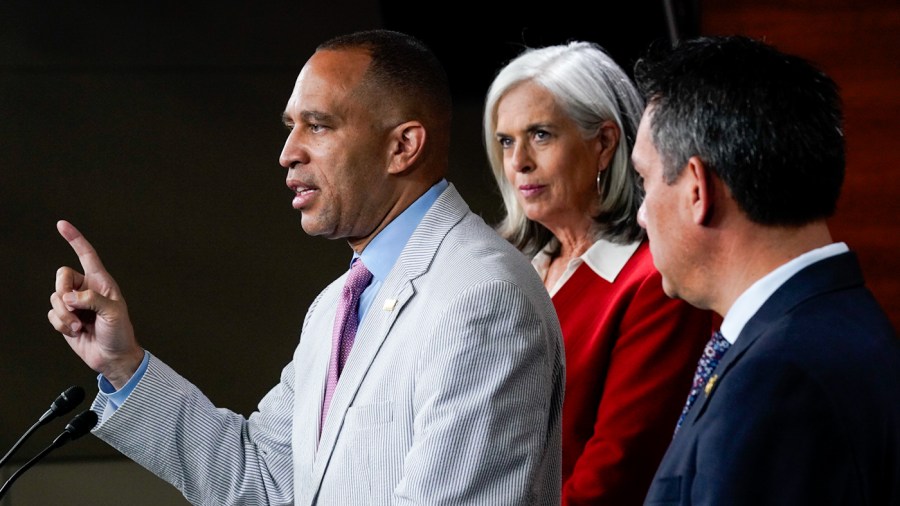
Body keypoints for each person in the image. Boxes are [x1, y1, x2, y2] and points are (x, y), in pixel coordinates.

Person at [48, 29, 565, 505]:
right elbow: (262, 477)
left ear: (402, 146)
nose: (287, 153)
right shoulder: (337, 304)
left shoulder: (481, 296)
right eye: (291, 127)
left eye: (317, 126)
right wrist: (122, 364)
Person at [631, 35, 900, 505]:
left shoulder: (779, 381)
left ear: (696, 189)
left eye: (644, 180)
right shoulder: (834, 326)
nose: (641, 214)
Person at [482, 41, 713, 505]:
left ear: (604, 143)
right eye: (506, 141)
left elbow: (618, 467)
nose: (518, 161)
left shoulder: (655, 282)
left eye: (540, 135)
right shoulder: (506, 271)